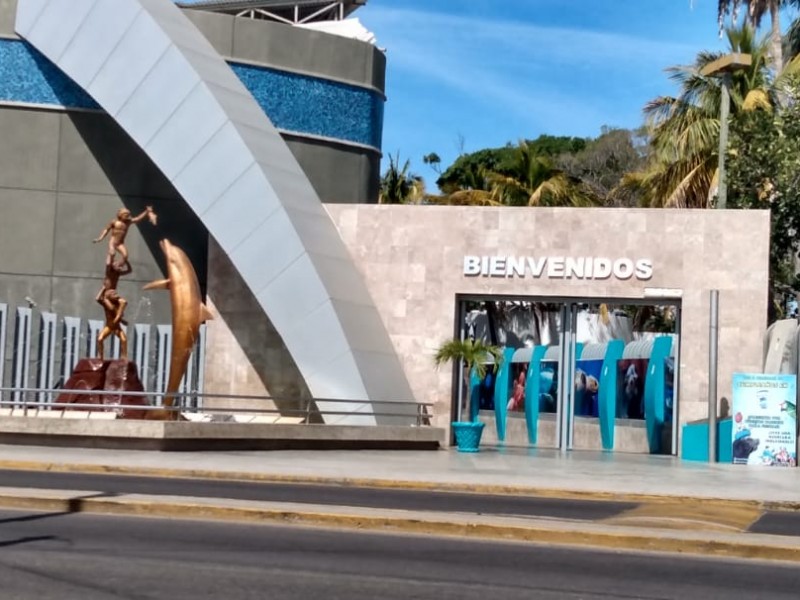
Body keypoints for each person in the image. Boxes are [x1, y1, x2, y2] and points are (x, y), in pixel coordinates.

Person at [96, 261, 132, 360]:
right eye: (114, 294)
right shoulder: (107, 303)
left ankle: (124, 357)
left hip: (116, 326)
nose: (116, 295)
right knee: (99, 338)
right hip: (109, 325)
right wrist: (103, 289)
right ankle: (100, 356)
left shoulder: (118, 302)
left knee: (124, 340)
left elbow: (124, 301)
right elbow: (98, 299)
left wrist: (125, 260)